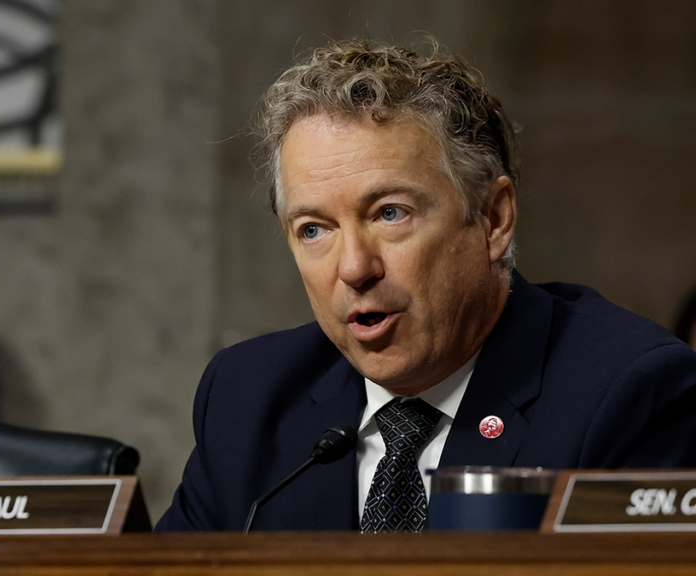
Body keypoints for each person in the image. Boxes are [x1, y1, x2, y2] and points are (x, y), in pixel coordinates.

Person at [157, 37, 696, 532]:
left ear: (493, 218)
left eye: (391, 213)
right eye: (314, 229)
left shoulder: (628, 392)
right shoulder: (247, 398)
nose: (353, 268)